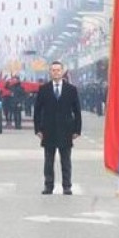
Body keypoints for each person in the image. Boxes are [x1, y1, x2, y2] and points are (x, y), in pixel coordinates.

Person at [33, 61, 82, 195]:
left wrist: (77, 130)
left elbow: (77, 111)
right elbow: (37, 110)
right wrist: (37, 129)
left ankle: (67, 186)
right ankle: (49, 185)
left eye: (58, 70)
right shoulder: (44, 89)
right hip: (48, 130)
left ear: (62, 72)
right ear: (50, 72)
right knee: (49, 161)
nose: (56, 72)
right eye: (53, 70)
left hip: (66, 130)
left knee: (66, 161)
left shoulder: (71, 90)